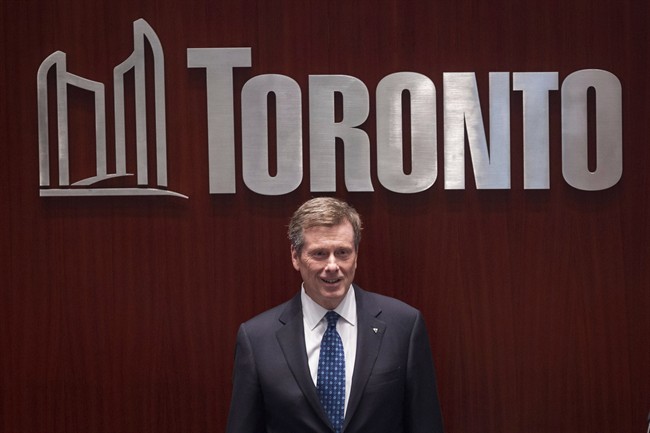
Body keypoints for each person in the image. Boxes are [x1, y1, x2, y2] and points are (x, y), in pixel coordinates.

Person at [225, 197, 444, 433]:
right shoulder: (257, 339)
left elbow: (425, 423)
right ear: (295, 257)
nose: (332, 265)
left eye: (342, 252)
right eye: (319, 253)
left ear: (356, 254)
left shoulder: (404, 326)